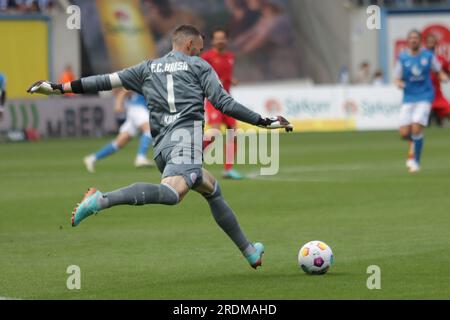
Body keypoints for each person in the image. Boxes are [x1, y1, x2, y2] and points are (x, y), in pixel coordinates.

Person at [27, 25, 293, 269]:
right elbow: (224, 103)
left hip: (162, 149)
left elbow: (103, 81)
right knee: (173, 194)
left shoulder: (145, 68)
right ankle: (100, 200)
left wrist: (57, 88)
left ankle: (250, 251)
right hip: (185, 143)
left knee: (211, 187)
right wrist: (265, 121)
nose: (199, 54)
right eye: (198, 49)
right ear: (189, 45)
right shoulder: (199, 67)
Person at [394, 30, 448, 173]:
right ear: (407, 41)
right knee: (404, 132)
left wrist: (443, 76)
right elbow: (396, 77)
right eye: (411, 38)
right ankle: (415, 143)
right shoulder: (403, 57)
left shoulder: (428, 56)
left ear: (420, 41)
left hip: (425, 96)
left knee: (416, 128)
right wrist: (398, 83)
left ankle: (415, 161)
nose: (413, 40)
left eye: (416, 38)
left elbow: (438, 70)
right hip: (408, 97)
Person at [201, 27, 242, 180]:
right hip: (213, 100)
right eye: (217, 38)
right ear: (212, 41)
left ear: (227, 40)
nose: (220, 40)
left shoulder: (230, 57)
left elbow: (225, 76)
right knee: (215, 133)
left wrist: (231, 80)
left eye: (222, 37)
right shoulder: (207, 57)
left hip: (227, 100)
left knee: (234, 133)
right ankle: (194, 157)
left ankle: (228, 169)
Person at [83, 89, 154, 173]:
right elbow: (126, 89)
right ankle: (141, 157)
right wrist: (119, 102)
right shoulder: (149, 78)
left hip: (136, 110)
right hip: (138, 108)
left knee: (119, 142)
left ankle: (92, 158)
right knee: (148, 130)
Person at [425, 33, 450, 126]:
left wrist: (445, 77)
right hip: (424, 93)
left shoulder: (441, 59)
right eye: (428, 42)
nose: (430, 44)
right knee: (423, 120)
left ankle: (439, 122)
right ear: (425, 43)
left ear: (436, 44)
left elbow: (447, 72)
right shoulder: (421, 58)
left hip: (437, 94)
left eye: (432, 42)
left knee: (448, 111)